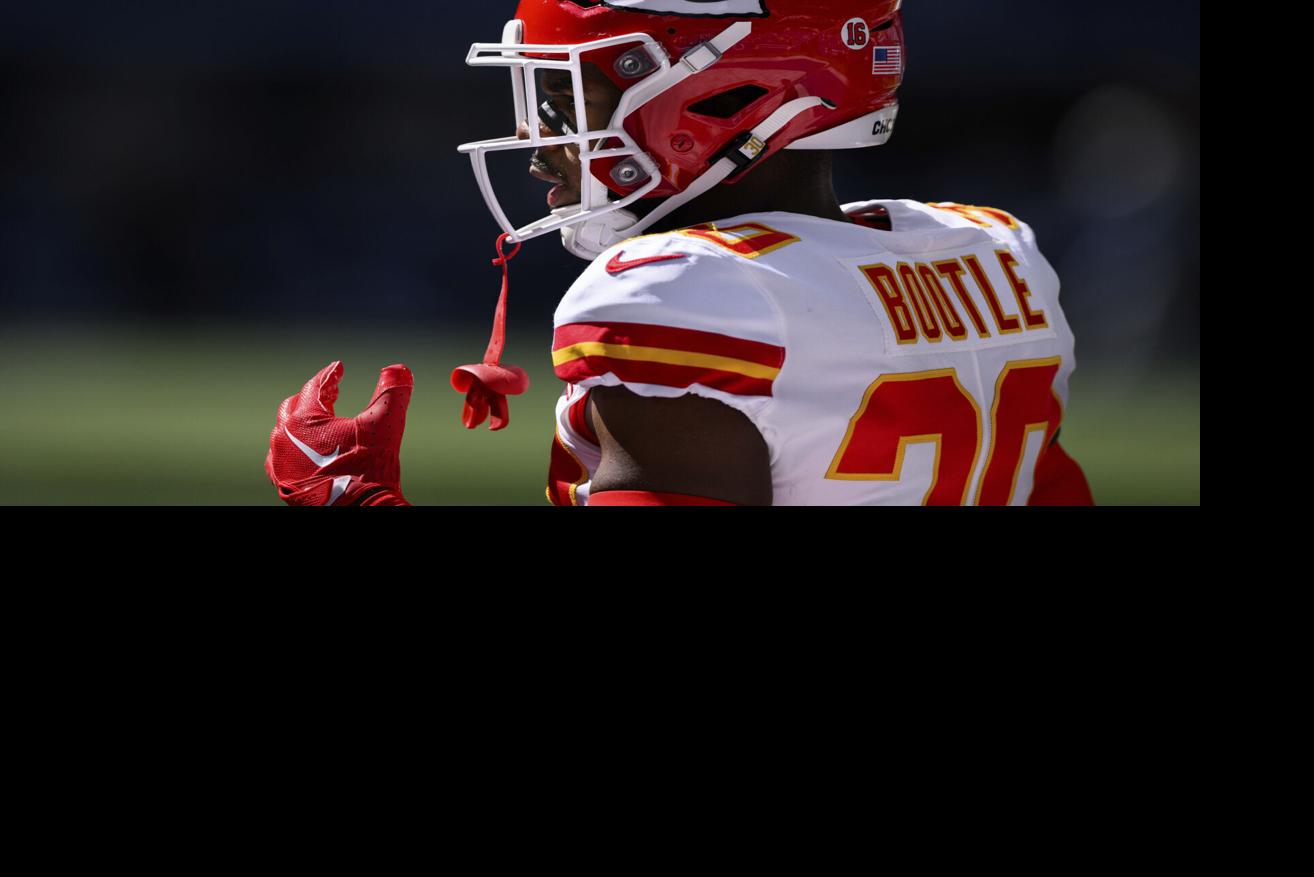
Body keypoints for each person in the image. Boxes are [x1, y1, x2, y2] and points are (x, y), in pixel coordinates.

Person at [267, 0, 1092, 506]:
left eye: (565, 98)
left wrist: (355, 501)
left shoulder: (682, 293)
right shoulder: (991, 250)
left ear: (723, 95)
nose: (538, 143)